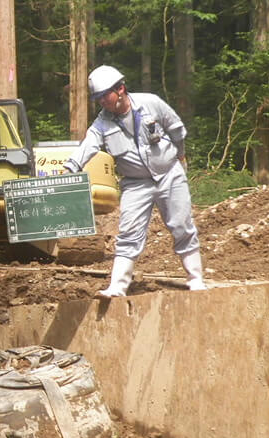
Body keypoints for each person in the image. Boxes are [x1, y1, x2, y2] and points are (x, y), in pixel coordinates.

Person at [63, 65, 206, 297]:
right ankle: (117, 287)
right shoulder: (102, 123)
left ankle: (196, 279)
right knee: (128, 233)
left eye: (104, 96)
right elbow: (89, 144)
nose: (101, 102)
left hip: (170, 173)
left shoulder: (150, 103)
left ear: (120, 89)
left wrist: (181, 155)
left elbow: (176, 128)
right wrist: (71, 166)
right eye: (97, 98)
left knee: (181, 226)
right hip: (136, 183)